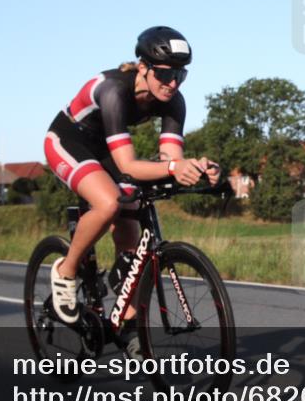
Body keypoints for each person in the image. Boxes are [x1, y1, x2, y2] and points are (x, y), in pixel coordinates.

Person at [42, 26, 219, 329]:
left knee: (132, 212)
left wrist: (198, 167)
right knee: (109, 203)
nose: (173, 83)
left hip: (105, 148)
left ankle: (128, 320)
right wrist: (174, 169)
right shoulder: (113, 90)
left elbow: (170, 161)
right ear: (143, 68)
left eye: (181, 75)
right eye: (164, 74)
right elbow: (128, 165)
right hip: (68, 140)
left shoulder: (174, 101)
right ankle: (66, 271)